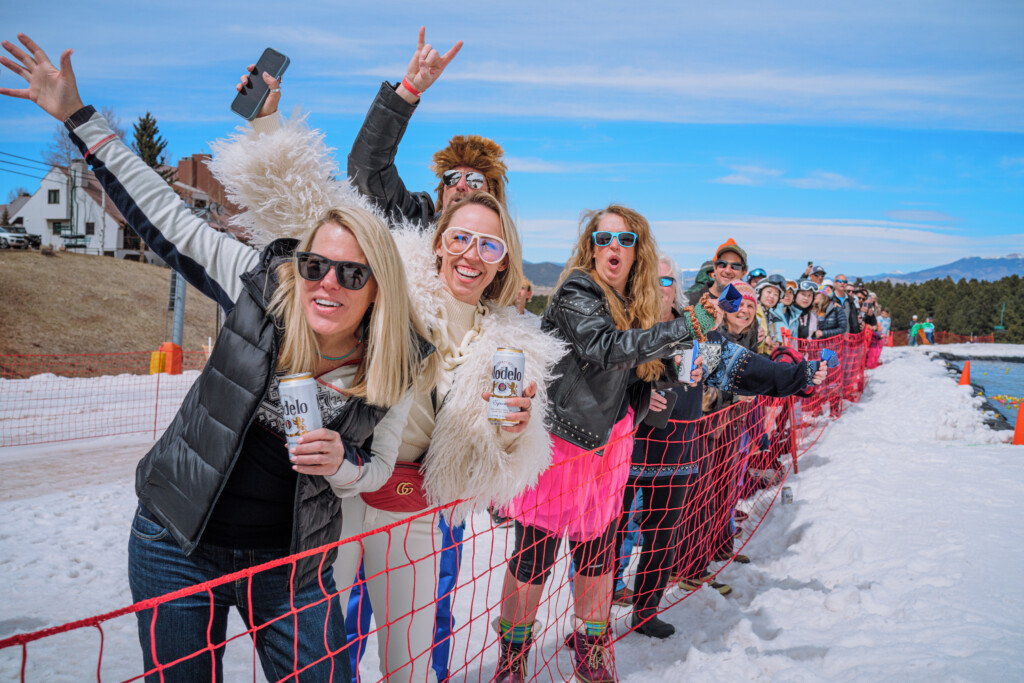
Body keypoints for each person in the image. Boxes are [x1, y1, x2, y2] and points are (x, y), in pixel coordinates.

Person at [0, 34, 435, 682]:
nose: (327, 284)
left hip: (291, 565)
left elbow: (375, 470)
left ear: (380, 286)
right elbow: (169, 222)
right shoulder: (262, 286)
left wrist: (343, 464)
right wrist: (77, 117)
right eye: (315, 265)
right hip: (177, 542)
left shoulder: (395, 360)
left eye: (352, 273)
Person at [229, 88, 567, 680]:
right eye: (460, 238)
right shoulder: (394, 284)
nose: (471, 254)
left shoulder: (512, 345)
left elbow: (501, 456)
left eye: (489, 245)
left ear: (503, 259)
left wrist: (513, 432)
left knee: (409, 663)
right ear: (437, 241)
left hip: (413, 508)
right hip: (336, 492)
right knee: (317, 653)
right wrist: (268, 125)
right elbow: (315, 212)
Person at [493, 206, 721, 682]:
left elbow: (629, 374)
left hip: (611, 447)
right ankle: (512, 660)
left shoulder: (635, 303)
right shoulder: (578, 291)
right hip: (563, 445)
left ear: (638, 251)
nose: (613, 247)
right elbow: (605, 349)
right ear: (590, 248)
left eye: (624, 239)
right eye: (603, 239)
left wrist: (658, 383)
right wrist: (688, 326)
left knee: (597, 558)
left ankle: (591, 652)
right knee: (533, 558)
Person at [615, 257, 826, 640]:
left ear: (676, 287)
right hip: (623, 456)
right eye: (648, 278)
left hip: (677, 453)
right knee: (610, 537)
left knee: (662, 538)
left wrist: (799, 376)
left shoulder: (695, 333)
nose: (657, 287)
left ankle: (646, 611)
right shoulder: (625, 329)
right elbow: (599, 381)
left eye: (666, 280)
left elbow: (743, 368)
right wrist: (637, 394)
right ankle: (593, 622)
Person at [342, 27, 511, 227]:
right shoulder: (416, 224)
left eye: (474, 180)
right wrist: (410, 89)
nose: (460, 185)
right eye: (451, 177)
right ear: (442, 191)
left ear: (492, 194)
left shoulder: (503, 245)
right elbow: (367, 168)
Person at [687, 238, 747, 305]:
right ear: (715, 267)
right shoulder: (689, 302)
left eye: (735, 266)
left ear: (743, 273)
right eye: (722, 264)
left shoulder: (746, 306)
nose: (728, 271)